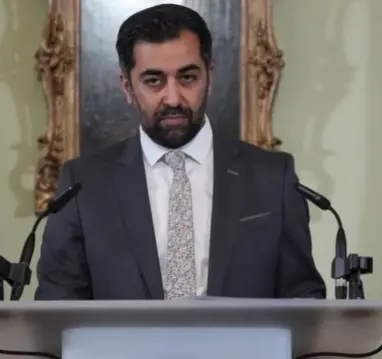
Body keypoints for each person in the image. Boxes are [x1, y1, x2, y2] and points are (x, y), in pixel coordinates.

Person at [34, 3, 326, 300]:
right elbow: (57, 309)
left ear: (208, 76)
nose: (173, 98)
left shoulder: (273, 178)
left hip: (242, 348)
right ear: (127, 86)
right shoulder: (83, 186)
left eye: (187, 78)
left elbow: (302, 298)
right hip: (123, 348)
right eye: (153, 81)